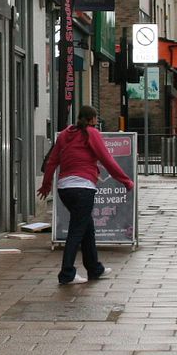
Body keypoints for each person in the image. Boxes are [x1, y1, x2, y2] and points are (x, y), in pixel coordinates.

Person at [37, 105, 135, 285]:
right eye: (96, 119)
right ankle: (67, 273)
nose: (97, 122)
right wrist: (126, 180)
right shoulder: (91, 133)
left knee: (87, 228)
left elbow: (52, 161)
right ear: (92, 119)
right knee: (76, 231)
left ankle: (94, 269)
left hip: (65, 189)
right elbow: (107, 159)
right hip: (83, 188)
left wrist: (46, 184)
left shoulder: (66, 134)